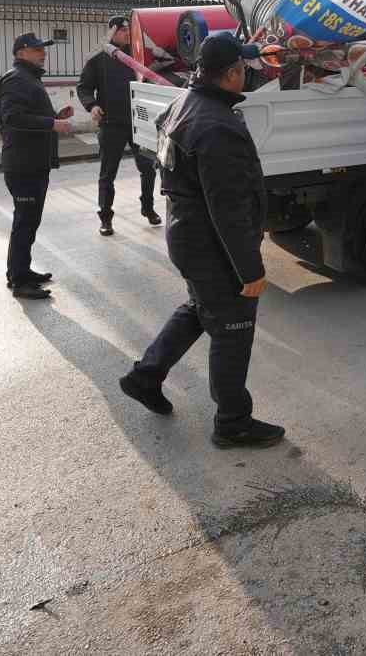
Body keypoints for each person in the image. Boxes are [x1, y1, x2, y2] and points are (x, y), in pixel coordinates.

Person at [119, 31, 285, 449]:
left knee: (200, 310)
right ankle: (233, 421)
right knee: (232, 329)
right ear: (230, 74)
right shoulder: (216, 125)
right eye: (244, 69)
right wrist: (249, 269)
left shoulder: (185, 104)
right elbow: (226, 209)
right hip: (211, 245)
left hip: (188, 235)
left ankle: (145, 376)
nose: (248, 74)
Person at [0, 33, 74, 300]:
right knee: (25, 221)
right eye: (38, 49)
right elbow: (12, 117)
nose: (43, 53)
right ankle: (19, 281)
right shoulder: (17, 79)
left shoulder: (27, 78)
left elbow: (26, 114)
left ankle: (20, 271)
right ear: (21, 52)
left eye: (44, 48)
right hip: (23, 164)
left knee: (29, 220)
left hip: (33, 162)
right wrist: (51, 124)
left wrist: (54, 117)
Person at [77, 15, 160, 237]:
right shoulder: (98, 59)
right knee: (107, 174)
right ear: (112, 32)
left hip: (138, 122)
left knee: (147, 169)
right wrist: (92, 105)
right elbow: (84, 87)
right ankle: (105, 218)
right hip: (111, 124)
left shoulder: (138, 56)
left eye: (129, 30)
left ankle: (148, 207)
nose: (127, 34)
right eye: (123, 30)